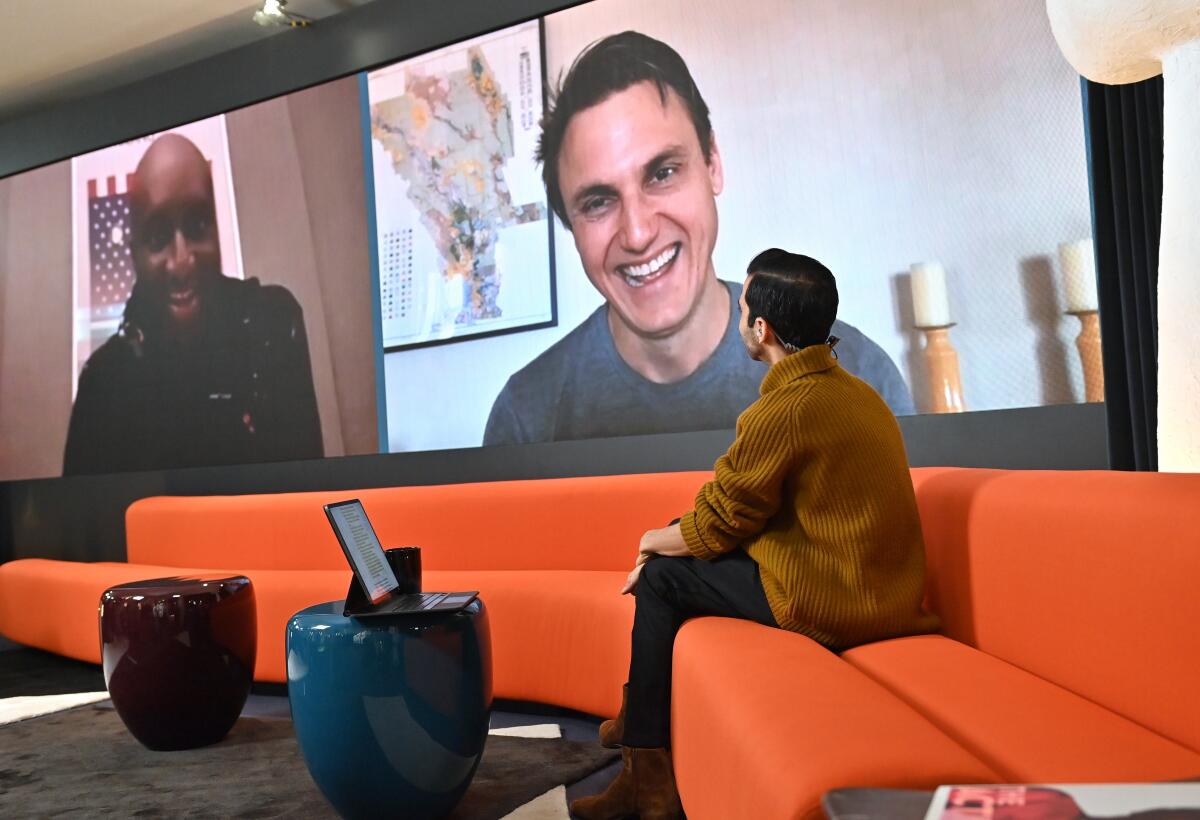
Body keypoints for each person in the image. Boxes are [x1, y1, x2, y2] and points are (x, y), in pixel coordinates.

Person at [569, 248, 939, 820]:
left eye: (742, 308)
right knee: (675, 541)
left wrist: (645, 543)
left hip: (827, 603)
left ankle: (646, 780)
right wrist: (672, 534)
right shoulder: (859, 395)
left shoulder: (783, 410)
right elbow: (742, 513)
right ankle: (636, 715)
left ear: (760, 329)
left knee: (663, 573)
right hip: (879, 594)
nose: (738, 318)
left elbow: (718, 524)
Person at [483, 31, 913, 447]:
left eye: (663, 173)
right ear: (570, 226)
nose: (638, 233)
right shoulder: (525, 419)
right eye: (598, 201)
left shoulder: (859, 377)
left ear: (713, 163)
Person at [62, 134, 322, 475]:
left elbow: (306, 497)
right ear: (133, 251)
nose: (181, 262)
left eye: (197, 225)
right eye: (158, 236)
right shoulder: (104, 382)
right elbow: (83, 524)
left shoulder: (270, 325)